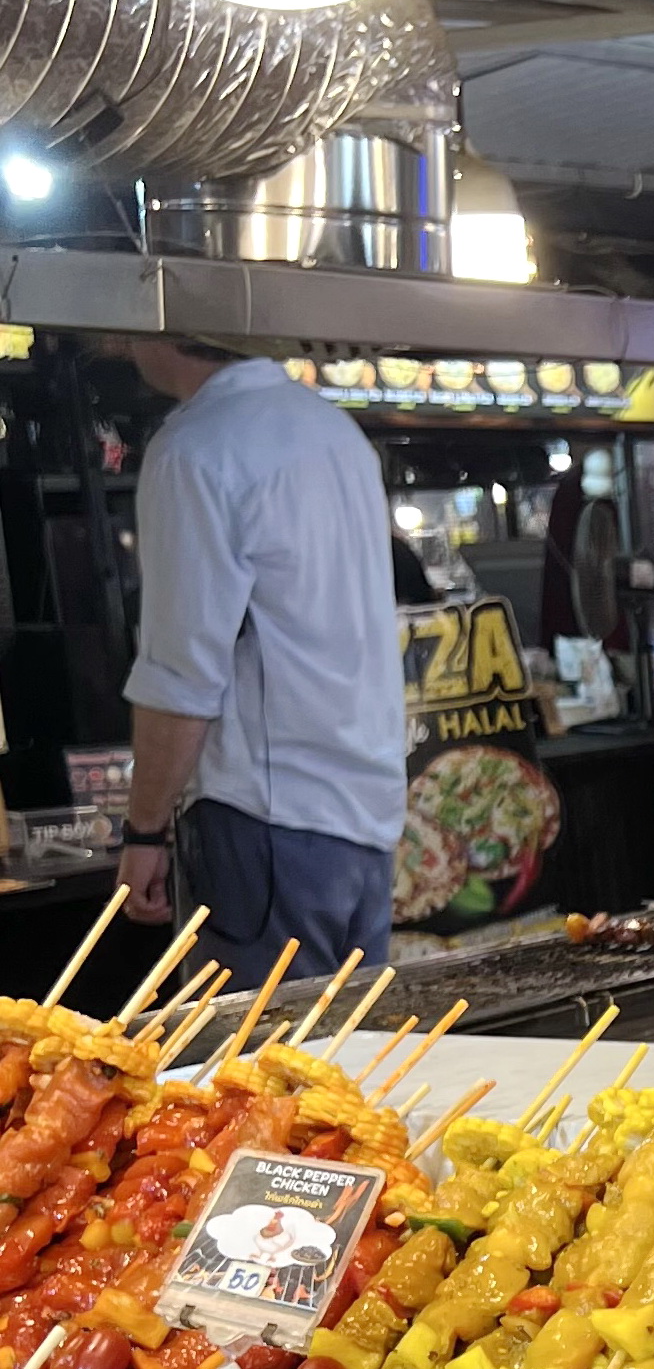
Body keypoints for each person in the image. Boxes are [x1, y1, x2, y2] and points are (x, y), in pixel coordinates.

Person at [118, 340, 406, 989]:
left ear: (163, 324)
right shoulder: (336, 432)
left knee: (254, 1052)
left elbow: (181, 673)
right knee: (348, 1046)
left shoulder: (197, 447)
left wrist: (144, 832)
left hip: (263, 825)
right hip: (365, 815)